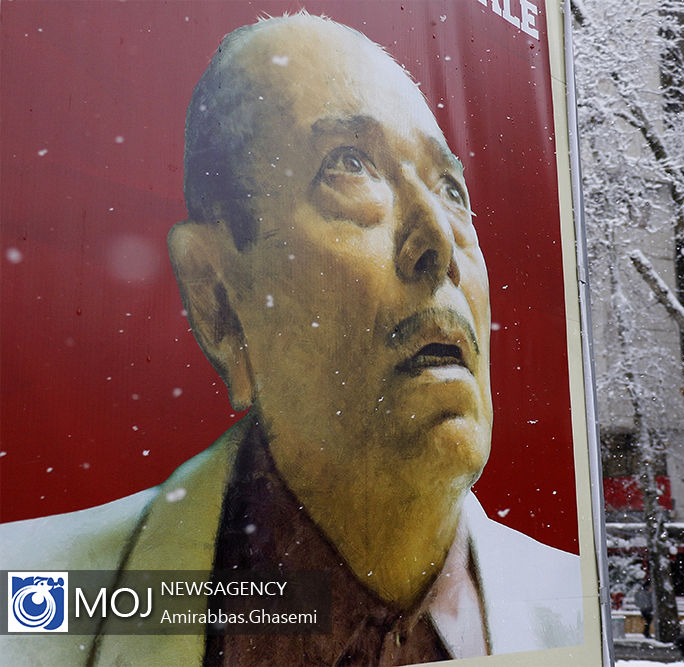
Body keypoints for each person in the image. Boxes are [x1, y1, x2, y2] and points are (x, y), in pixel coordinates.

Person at [1, 13, 582, 665]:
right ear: (217, 297)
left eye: (451, 187)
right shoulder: (27, 602)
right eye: (350, 165)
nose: (439, 239)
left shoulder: (572, 606)